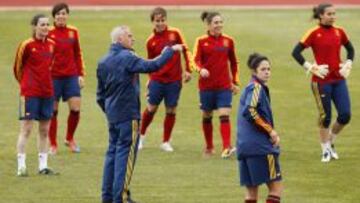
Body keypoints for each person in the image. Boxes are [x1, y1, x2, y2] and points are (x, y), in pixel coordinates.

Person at [96, 25, 183, 203]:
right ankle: (121, 196)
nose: (133, 39)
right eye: (129, 36)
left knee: (112, 154)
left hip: (113, 116)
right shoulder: (128, 57)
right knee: (126, 156)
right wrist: (169, 50)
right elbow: (153, 65)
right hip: (128, 116)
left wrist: (110, 111)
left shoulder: (103, 61)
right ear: (120, 39)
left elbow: (100, 95)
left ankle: (107, 197)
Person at [291, 3, 355, 162]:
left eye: (334, 13)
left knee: (345, 115)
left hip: (338, 80)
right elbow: (296, 52)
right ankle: (325, 149)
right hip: (321, 81)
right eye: (329, 14)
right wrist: (310, 67)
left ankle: (330, 142)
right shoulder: (313, 33)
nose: (333, 16)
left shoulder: (340, 32)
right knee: (325, 116)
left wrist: (348, 63)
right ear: (321, 16)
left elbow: (351, 49)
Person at [139, 7, 193, 152]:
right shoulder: (150, 41)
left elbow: (186, 50)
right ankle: (140, 137)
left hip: (174, 80)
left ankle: (165, 141)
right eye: (157, 21)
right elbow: (150, 63)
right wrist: (149, 80)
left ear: (166, 20)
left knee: (171, 110)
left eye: (163, 20)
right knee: (151, 108)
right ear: (153, 22)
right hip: (157, 80)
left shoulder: (175, 33)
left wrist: (188, 69)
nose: (160, 23)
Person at [13, 14, 58, 176]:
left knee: (45, 130)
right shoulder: (26, 45)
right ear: (34, 26)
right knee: (26, 129)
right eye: (42, 25)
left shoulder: (52, 45)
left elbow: (49, 67)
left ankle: (43, 166)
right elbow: (17, 68)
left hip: (47, 93)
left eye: (47, 24)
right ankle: (21, 166)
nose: (46, 27)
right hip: (30, 93)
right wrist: (26, 83)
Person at [193, 11, 240, 158]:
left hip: (224, 86)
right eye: (216, 22)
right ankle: (209, 147)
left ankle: (227, 147)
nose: (219, 25)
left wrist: (235, 82)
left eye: (221, 22)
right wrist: (201, 70)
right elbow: (194, 61)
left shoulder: (228, 41)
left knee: (224, 114)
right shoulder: (201, 41)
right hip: (206, 87)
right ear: (208, 25)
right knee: (207, 115)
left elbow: (234, 62)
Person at [237, 53, 282, 203]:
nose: (267, 72)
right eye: (263, 69)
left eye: (269, 69)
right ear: (254, 72)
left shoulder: (250, 87)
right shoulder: (256, 88)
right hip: (260, 147)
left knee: (251, 194)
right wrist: (271, 131)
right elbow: (250, 110)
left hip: (244, 147)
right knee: (275, 189)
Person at [48, 3, 86, 154]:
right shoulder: (48, 32)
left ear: (67, 15)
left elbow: (78, 54)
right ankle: (53, 144)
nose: (61, 16)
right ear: (54, 16)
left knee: (76, 108)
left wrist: (81, 75)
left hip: (71, 76)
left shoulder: (73, 32)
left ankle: (69, 139)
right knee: (52, 112)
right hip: (53, 77)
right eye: (58, 14)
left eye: (63, 13)